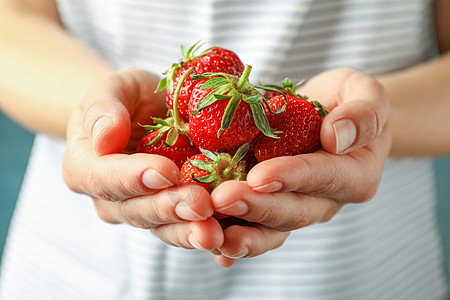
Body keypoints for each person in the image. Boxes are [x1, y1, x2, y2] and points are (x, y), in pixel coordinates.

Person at [0, 0, 448, 299]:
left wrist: (370, 120)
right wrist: (99, 113)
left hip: (359, 266)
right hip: (75, 265)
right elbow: (13, 22)